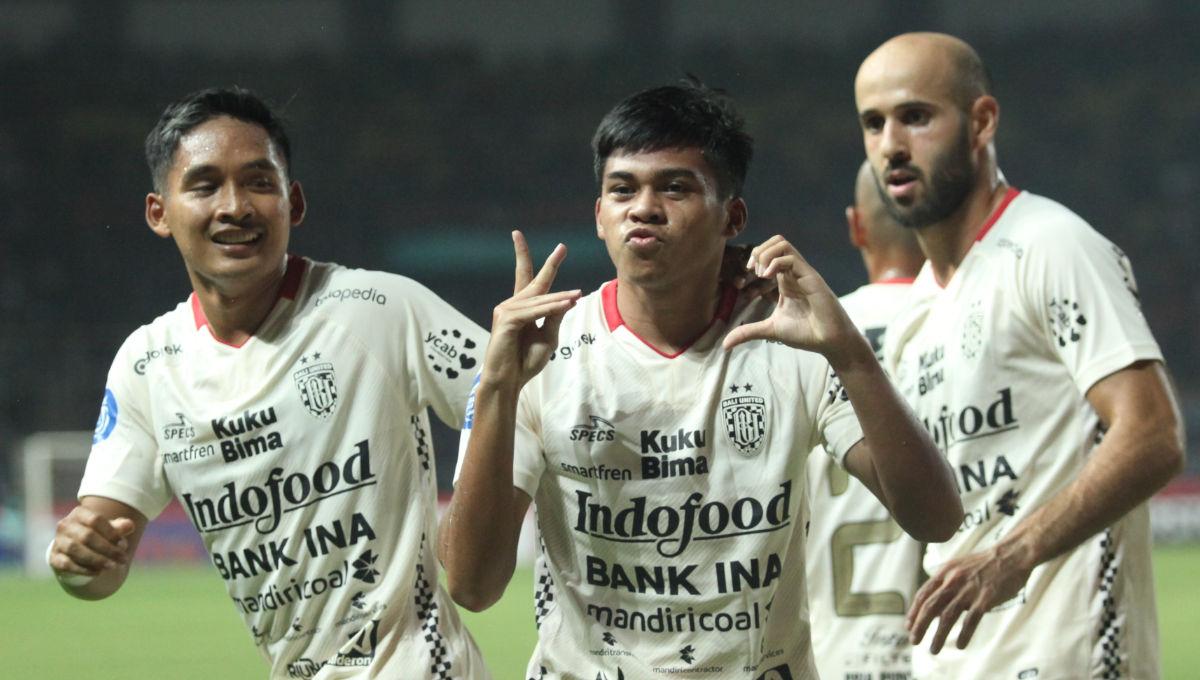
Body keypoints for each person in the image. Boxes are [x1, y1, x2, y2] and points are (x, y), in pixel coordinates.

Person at [439, 80, 962, 679]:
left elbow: (937, 519)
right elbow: (473, 586)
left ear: (732, 217)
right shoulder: (542, 351)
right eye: (622, 190)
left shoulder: (790, 341)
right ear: (600, 218)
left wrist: (850, 352)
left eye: (675, 187)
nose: (643, 207)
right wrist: (498, 386)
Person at [47, 87, 493, 679]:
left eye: (258, 182)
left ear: (294, 201)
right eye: (205, 185)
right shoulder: (148, 364)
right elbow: (101, 562)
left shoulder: (378, 309)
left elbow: (522, 396)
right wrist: (76, 558)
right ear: (160, 212)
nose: (234, 206)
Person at [854, 32, 1185, 679]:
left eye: (916, 116)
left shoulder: (1051, 246)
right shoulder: (916, 312)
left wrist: (1013, 555)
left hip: (1070, 658)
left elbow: (1153, 432)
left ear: (981, 121)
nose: (891, 144)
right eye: (874, 123)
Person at [804, 160, 925, 680]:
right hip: (952, 658)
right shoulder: (975, 329)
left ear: (856, 226)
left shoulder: (802, 347)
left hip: (825, 657)